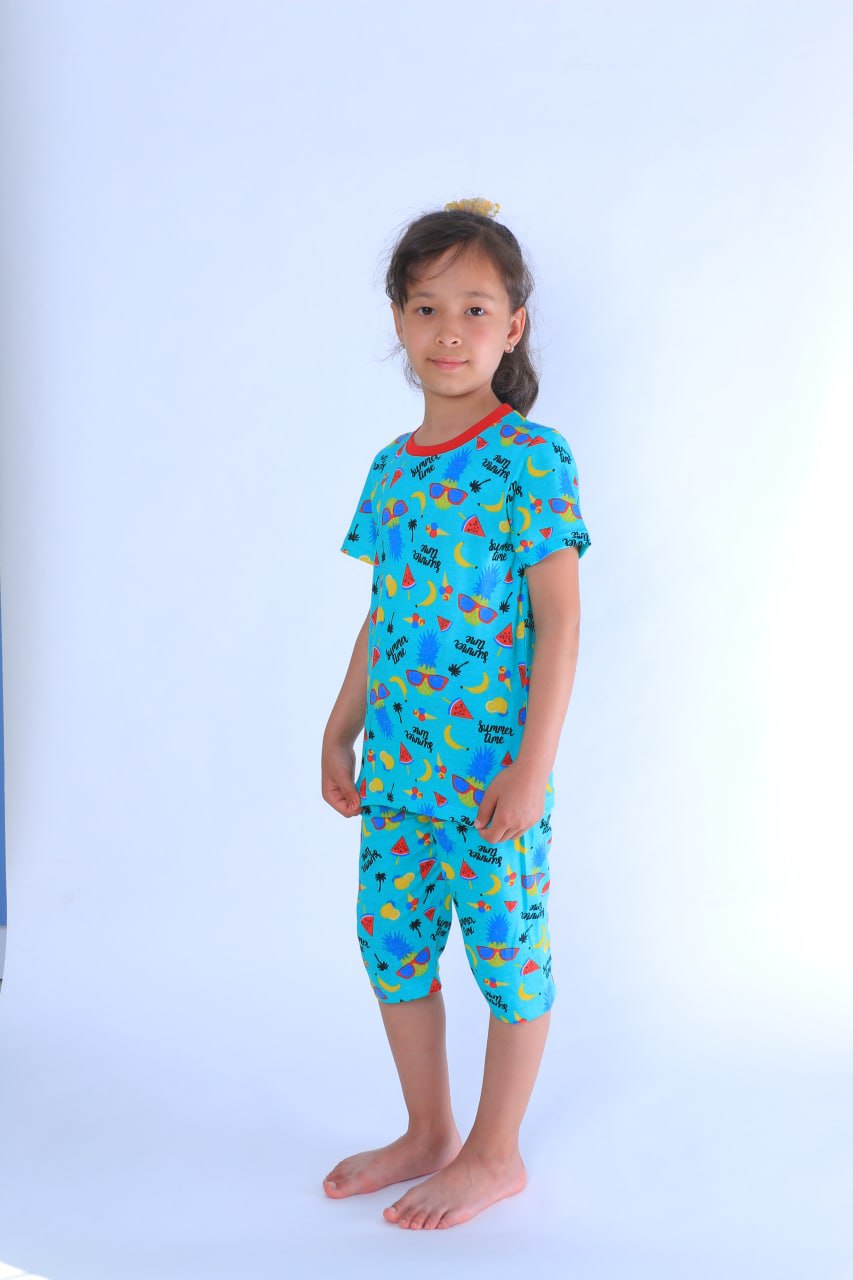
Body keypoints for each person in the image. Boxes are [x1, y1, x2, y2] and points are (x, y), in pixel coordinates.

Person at [320, 197, 592, 1230]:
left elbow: (560, 621)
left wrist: (532, 766)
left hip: (490, 780)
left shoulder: (532, 458)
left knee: (508, 958)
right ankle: (427, 1129)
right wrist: (338, 726)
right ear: (398, 319)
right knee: (391, 950)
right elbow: (383, 613)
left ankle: (494, 1152)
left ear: (511, 327)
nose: (448, 330)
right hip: (397, 773)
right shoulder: (390, 471)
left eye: (474, 308)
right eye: (426, 306)